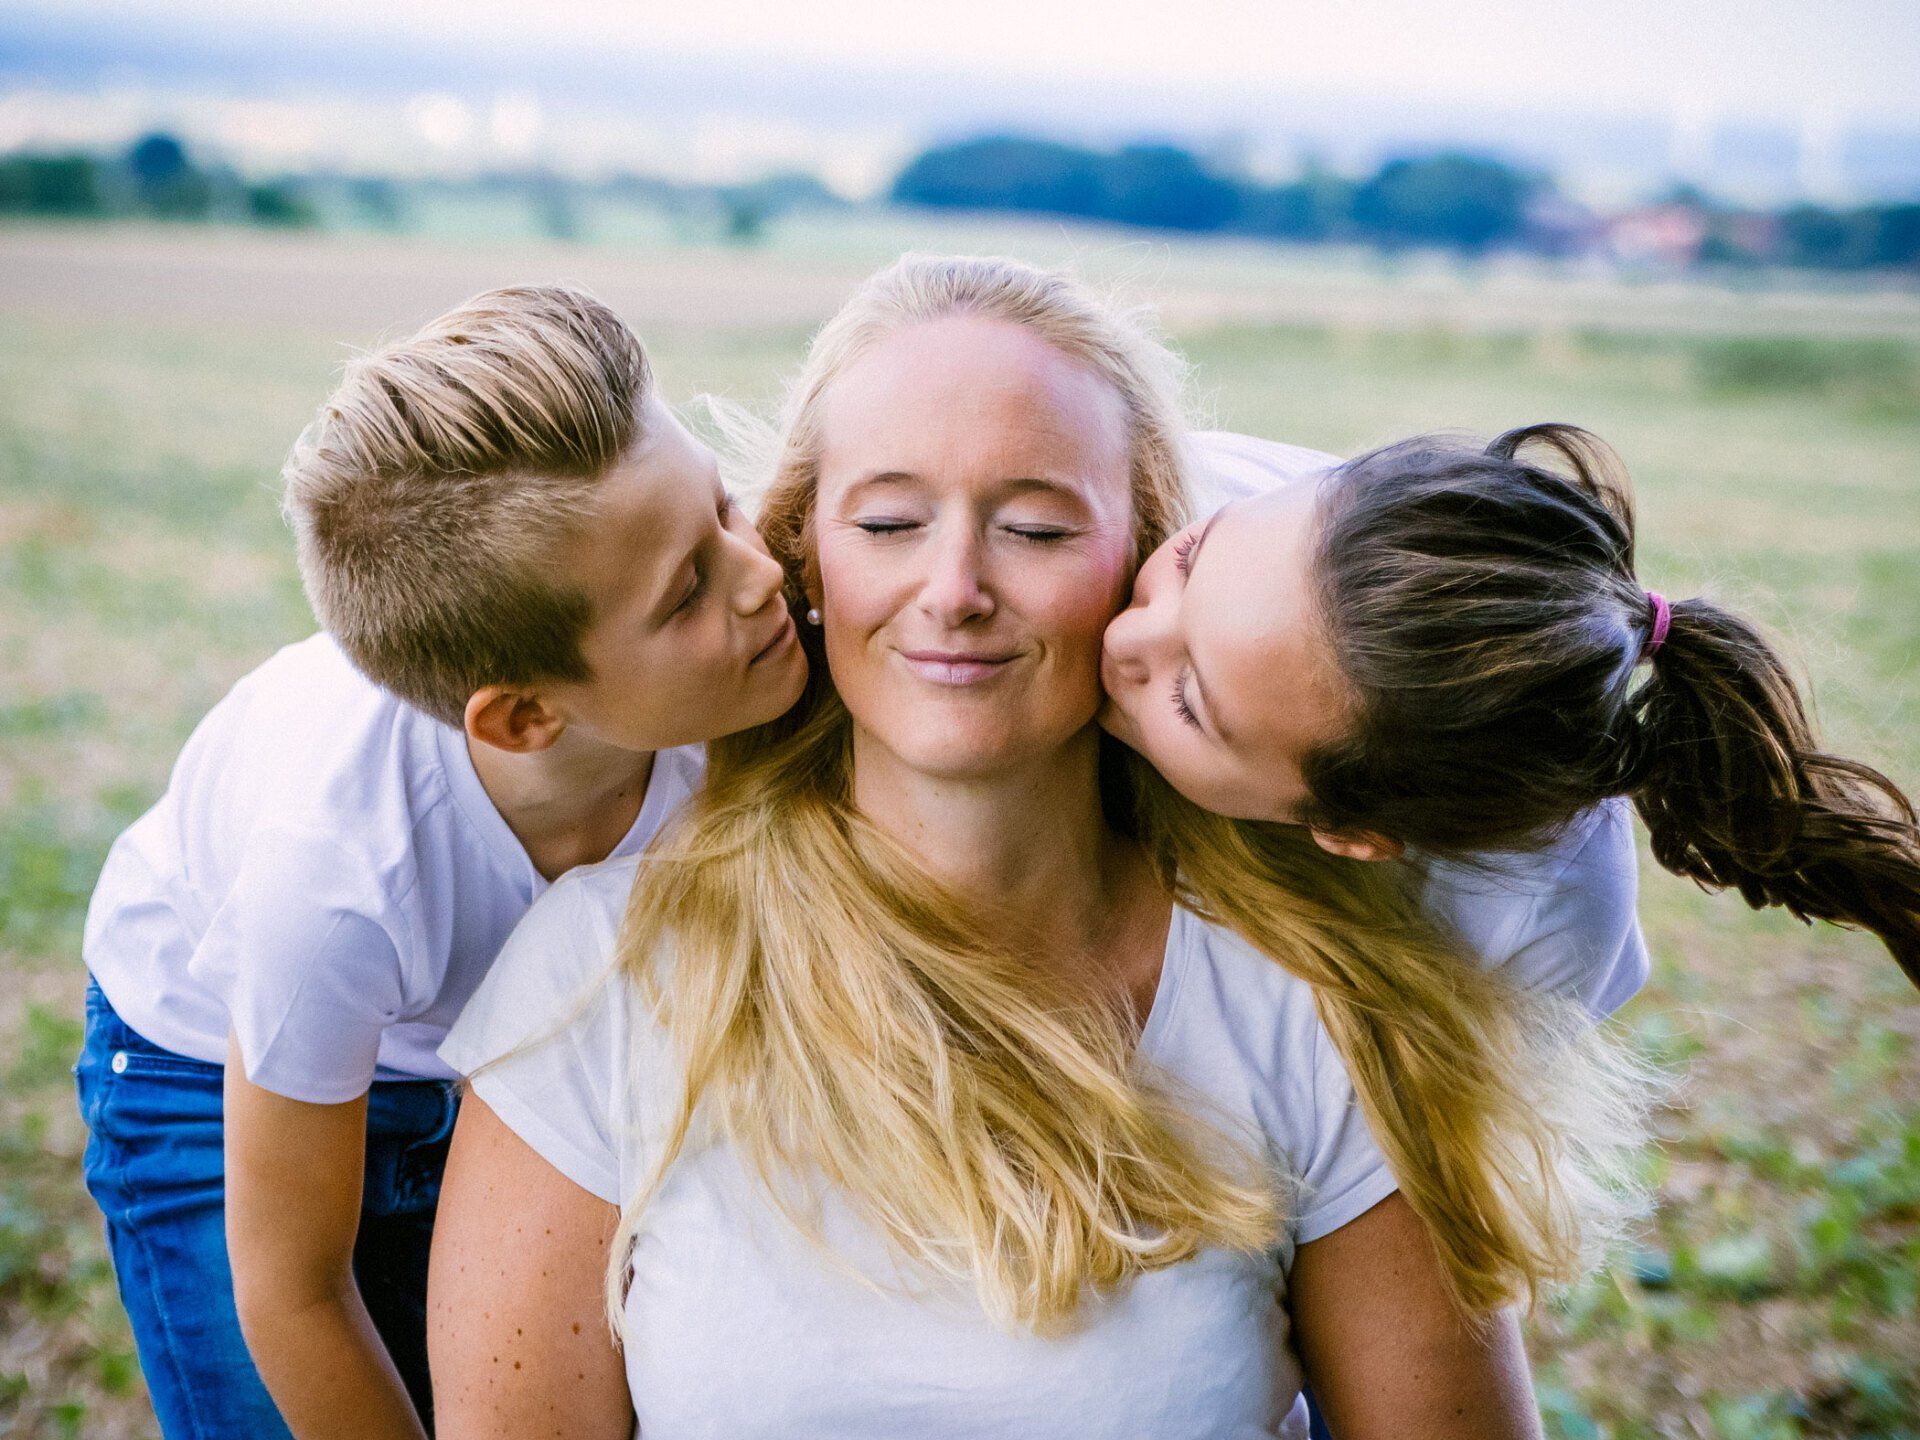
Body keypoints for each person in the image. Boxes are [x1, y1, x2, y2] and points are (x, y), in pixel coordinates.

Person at [429, 255, 1646, 1439]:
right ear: (800, 552)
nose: (954, 588)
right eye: (892, 520)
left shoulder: (1310, 1008)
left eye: (1039, 530)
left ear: (1149, 556)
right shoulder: (604, 978)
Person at [73, 285, 807, 1440]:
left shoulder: (739, 668)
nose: (760, 575)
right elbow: (293, 1288)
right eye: (687, 592)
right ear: (522, 718)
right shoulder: (334, 886)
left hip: (485, 1060)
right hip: (205, 1073)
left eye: (722, 508)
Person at [1102, 426, 1920, 986]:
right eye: (1186, 560)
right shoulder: (1188, 494)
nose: (1123, 638)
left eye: (1189, 700)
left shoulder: (1533, 924)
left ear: (1353, 834)